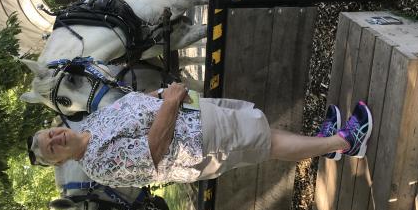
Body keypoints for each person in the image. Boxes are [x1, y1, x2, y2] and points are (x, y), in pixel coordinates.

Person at [26, 83, 373, 187]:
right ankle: (344, 141)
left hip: (193, 115)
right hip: (196, 144)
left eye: (49, 134)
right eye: (50, 149)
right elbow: (151, 153)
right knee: (264, 140)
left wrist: (157, 94)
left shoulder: (91, 125)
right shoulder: (97, 165)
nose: (54, 139)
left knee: (260, 132)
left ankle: (324, 144)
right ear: (57, 161)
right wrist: (170, 103)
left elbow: (130, 107)